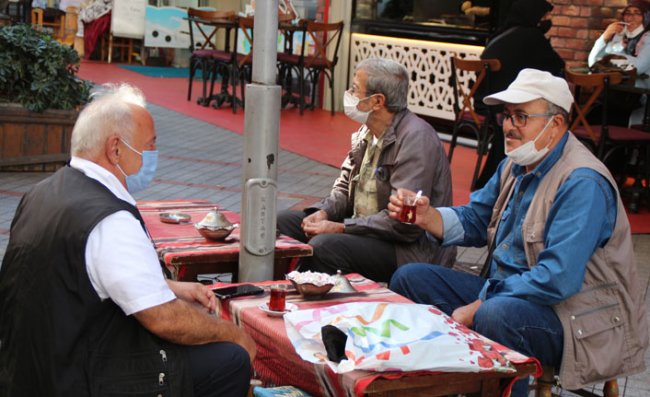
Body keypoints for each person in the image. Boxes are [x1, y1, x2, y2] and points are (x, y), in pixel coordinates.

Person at [388, 69, 648, 396]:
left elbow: (557, 279)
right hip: (507, 293)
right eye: (507, 116)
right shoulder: (516, 163)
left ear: (555, 124)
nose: (509, 126)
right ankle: (445, 381)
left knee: (497, 315)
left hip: (574, 318)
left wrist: (481, 303)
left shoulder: (582, 182)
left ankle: (489, 382)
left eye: (522, 116)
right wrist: (427, 217)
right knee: (409, 278)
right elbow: (476, 218)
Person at [0, 84, 256, 396]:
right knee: (230, 359)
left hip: (29, 367)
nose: (153, 156)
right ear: (116, 149)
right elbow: (165, 320)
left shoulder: (42, 193)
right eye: (150, 146)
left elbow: (81, 274)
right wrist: (230, 333)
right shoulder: (110, 220)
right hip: (79, 376)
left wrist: (173, 287)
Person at [277, 58, 455, 283]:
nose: (349, 94)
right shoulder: (367, 132)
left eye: (355, 89)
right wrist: (324, 212)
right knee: (283, 222)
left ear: (377, 101)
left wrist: (341, 228)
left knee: (324, 246)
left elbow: (404, 224)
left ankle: (308, 303)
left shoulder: (416, 138)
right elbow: (344, 187)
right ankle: (272, 290)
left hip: (407, 249)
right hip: (364, 228)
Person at [472, 0, 565, 190]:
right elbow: (556, 67)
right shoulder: (531, 37)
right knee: (534, 115)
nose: (547, 21)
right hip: (504, 108)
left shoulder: (502, 34)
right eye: (544, 16)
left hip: (485, 103)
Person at [588, 0, 650, 126]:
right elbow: (593, 62)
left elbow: (638, 67)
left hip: (641, 101)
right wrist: (605, 36)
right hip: (618, 96)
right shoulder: (621, 35)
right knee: (593, 114)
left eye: (637, 13)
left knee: (601, 116)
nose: (631, 17)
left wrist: (611, 57)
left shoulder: (648, 37)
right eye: (627, 13)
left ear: (646, 17)